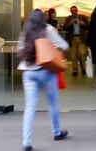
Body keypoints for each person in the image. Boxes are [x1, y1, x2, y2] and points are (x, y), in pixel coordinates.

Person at [18, 9, 69, 151]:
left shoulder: (25, 31)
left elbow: (20, 49)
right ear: (43, 19)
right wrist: (51, 47)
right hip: (46, 71)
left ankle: (26, 143)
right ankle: (57, 132)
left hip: (28, 72)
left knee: (30, 108)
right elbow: (64, 45)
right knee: (53, 104)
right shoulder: (49, 30)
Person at [63, 5, 88, 76]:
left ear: (77, 11)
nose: (73, 12)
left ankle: (83, 69)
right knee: (73, 55)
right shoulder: (68, 18)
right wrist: (70, 23)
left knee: (82, 54)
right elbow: (65, 28)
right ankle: (75, 70)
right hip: (73, 38)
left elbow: (88, 26)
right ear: (70, 11)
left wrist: (83, 23)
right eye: (72, 11)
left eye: (75, 10)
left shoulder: (83, 17)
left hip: (81, 38)